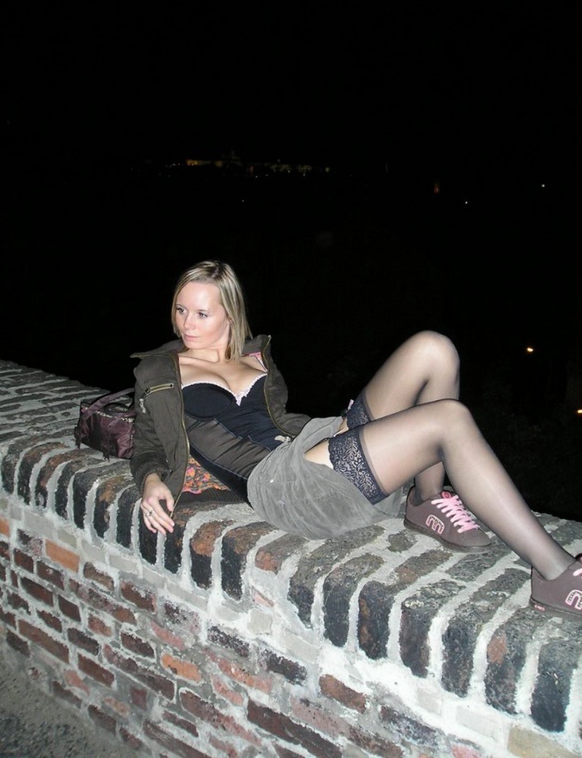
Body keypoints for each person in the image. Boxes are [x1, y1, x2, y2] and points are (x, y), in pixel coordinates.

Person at [130, 259, 582, 622]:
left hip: (313, 445)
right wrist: (151, 479)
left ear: (229, 313)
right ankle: (555, 573)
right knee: (449, 420)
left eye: (202, 313)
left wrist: (347, 428)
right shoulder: (162, 371)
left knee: (435, 349)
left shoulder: (257, 357)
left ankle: (425, 502)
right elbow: (147, 441)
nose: (186, 324)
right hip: (279, 484)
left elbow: (281, 423)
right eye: (181, 309)